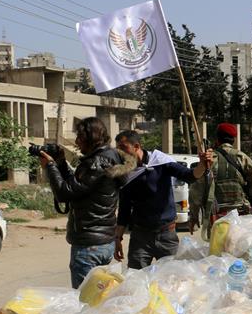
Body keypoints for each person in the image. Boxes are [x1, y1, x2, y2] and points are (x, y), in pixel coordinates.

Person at [38, 117, 126, 288]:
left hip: (89, 245)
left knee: (84, 302)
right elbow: (77, 187)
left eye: (80, 136)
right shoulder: (109, 157)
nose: (77, 142)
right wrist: (61, 163)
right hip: (104, 241)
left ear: (90, 137)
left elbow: (64, 193)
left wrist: (50, 166)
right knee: (97, 298)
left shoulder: (97, 162)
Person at [112, 130, 214, 269]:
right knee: (136, 278)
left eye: (123, 148)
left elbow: (190, 176)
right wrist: (118, 238)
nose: (120, 153)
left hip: (166, 235)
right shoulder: (125, 172)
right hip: (140, 238)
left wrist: (202, 165)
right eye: (118, 149)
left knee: (172, 279)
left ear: (136, 147)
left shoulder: (160, 161)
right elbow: (124, 208)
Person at [189, 123, 252, 239]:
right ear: (233, 140)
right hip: (241, 216)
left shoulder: (209, 161)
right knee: (242, 250)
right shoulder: (242, 158)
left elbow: (196, 192)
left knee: (218, 254)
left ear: (217, 139)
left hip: (217, 219)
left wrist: (193, 217)